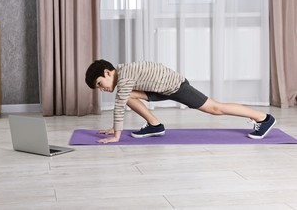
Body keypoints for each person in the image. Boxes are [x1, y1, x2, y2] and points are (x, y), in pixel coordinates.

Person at [85, 59, 276, 144]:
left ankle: (263, 118)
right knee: (126, 96)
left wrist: (116, 135)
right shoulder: (123, 73)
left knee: (215, 108)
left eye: (100, 84)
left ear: (107, 72)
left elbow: (119, 105)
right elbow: (122, 100)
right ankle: (155, 126)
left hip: (176, 87)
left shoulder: (124, 77)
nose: (102, 89)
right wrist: (114, 127)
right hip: (161, 88)